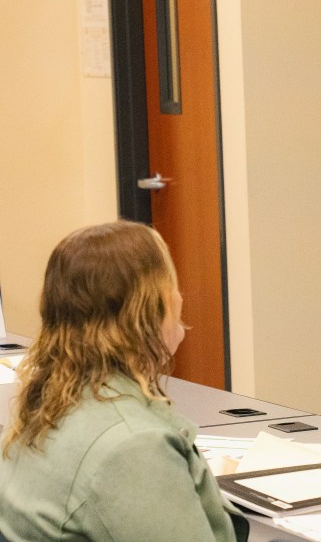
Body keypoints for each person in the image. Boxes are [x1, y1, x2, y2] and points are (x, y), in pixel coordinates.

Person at [0, 221, 247, 542]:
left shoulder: (46, 401)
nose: (180, 298)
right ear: (148, 310)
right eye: (172, 284)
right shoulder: (135, 446)